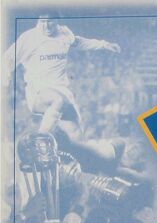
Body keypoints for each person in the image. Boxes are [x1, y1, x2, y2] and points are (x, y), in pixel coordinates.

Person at [3, 17, 123, 169]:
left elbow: (78, 42)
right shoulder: (29, 38)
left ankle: (88, 166)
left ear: (57, 20)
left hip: (62, 91)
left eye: (50, 21)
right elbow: (7, 59)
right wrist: (4, 84)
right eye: (43, 21)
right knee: (57, 100)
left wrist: (104, 44)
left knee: (77, 136)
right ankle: (38, 147)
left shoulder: (64, 33)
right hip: (38, 92)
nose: (46, 25)